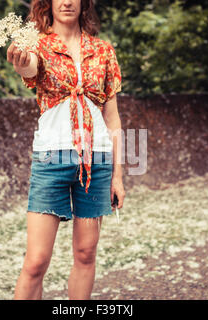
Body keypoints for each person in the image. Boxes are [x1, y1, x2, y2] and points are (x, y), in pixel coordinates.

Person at [9, 0, 125, 300]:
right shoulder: (38, 45)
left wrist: (118, 177)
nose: (67, 1)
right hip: (51, 159)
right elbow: (29, 67)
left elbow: (112, 118)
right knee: (36, 262)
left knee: (86, 253)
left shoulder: (103, 51)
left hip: (97, 158)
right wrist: (22, 61)